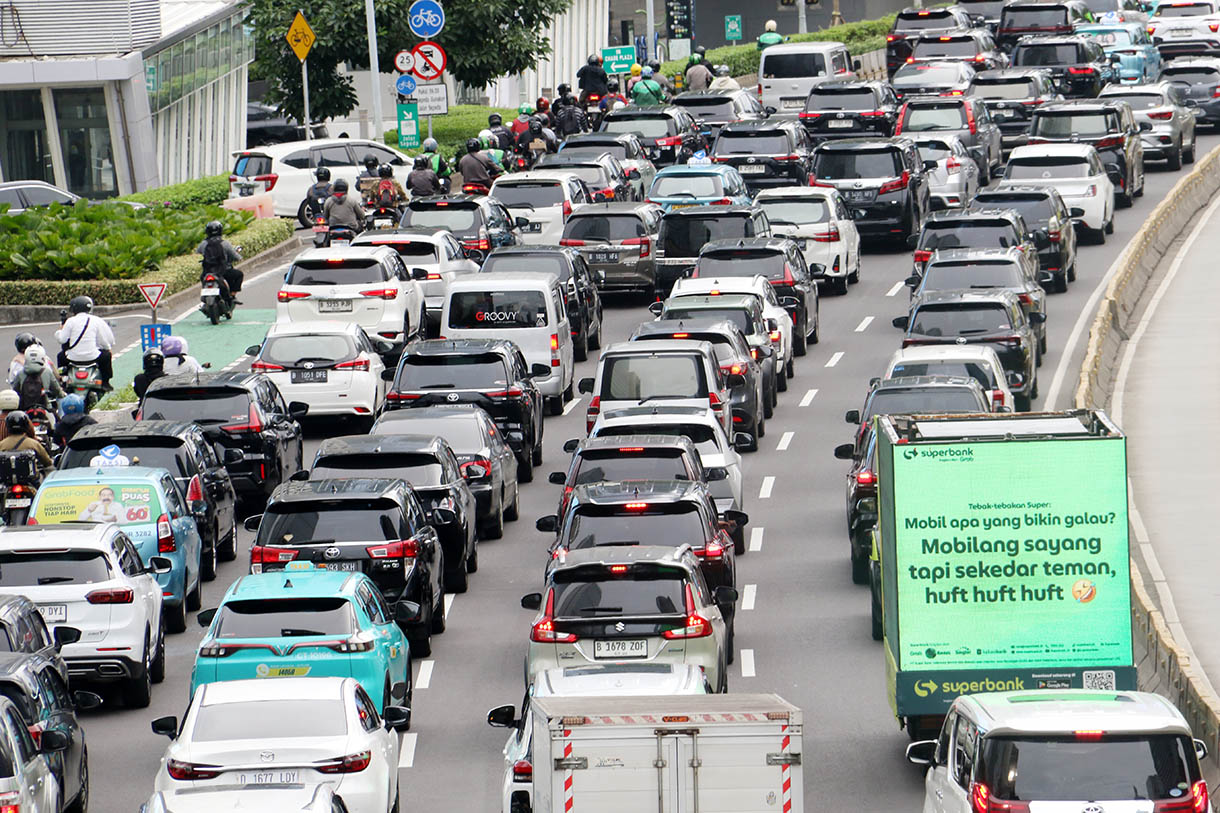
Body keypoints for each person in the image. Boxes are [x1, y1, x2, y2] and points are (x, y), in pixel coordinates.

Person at [54, 297, 114, 390]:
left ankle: (64, 380)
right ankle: (105, 383)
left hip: (73, 358)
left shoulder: (70, 321)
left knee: (60, 356)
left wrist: (59, 331)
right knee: (107, 356)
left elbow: (62, 340)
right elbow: (104, 341)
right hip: (92, 358)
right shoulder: (96, 320)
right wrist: (107, 348)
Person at [196, 220, 243, 311]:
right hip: (223, 272)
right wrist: (238, 257)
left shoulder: (203, 244)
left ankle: (204, 301)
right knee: (239, 274)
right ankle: (232, 296)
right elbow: (236, 256)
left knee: (203, 279)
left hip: (207, 271)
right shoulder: (225, 243)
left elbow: (197, 254)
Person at [13, 345, 64, 412]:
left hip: (25, 409)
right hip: (45, 409)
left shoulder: (21, 373)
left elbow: (15, 391)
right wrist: (62, 394)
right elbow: (57, 391)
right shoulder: (47, 372)